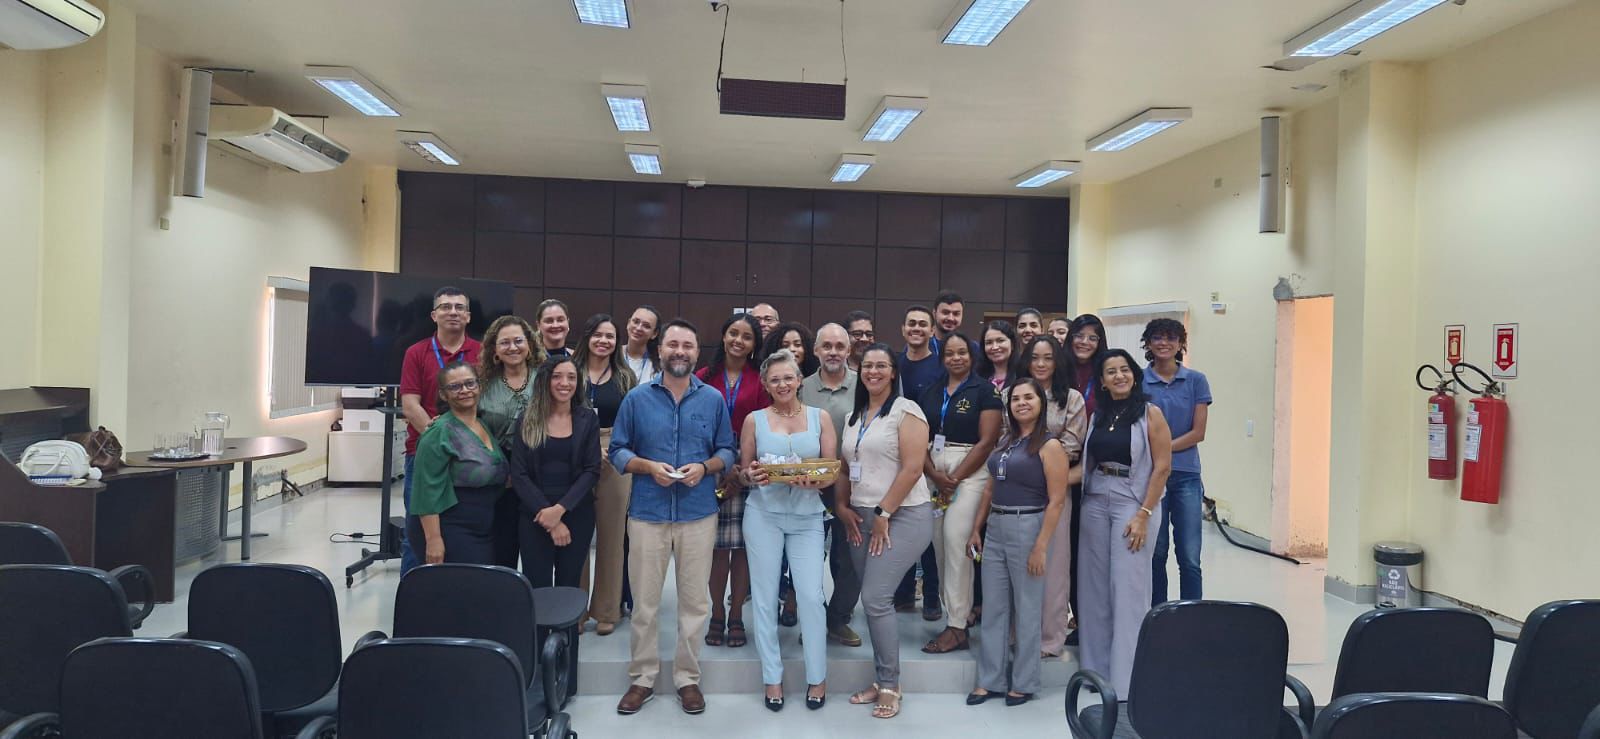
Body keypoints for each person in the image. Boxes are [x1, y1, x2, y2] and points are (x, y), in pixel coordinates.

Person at [610, 319, 737, 716]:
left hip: (698, 514)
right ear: (659, 350)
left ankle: (687, 678)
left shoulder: (713, 400)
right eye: (672, 345)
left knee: (694, 603)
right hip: (647, 513)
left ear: (697, 353)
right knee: (646, 604)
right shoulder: (636, 398)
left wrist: (706, 466)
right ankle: (643, 678)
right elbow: (617, 451)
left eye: (687, 345)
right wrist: (647, 466)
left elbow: (728, 451)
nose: (679, 351)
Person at [839, 344, 935, 720]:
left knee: (877, 598)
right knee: (873, 603)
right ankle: (881, 680)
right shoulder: (854, 416)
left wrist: (884, 512)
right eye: (868, 366)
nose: (873, 371)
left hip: (904, 515)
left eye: (882, 366)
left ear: (894, 373)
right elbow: (847, 467)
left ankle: (891, 685)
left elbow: (913, 469)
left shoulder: (906, 411)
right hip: (861, 517)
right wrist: (844, 507)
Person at [739, 349, 837, 712]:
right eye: (774, 379)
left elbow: (830, 469)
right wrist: (749, 475)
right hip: (763, 514)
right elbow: (743, 469)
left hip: (808, 516)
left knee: (811, 596)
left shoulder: (820, 417)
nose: (782, 384)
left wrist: (817, 480)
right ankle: (772, 678)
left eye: (788, 377)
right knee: (764, 599)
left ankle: (818, 676)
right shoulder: (754, 420)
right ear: (765, 384)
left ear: (799, 380)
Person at [964, 378, 1069, 707]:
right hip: (996, 525)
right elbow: (989, 488)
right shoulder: (1006, 441)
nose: (1022, 403)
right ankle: (990, 680)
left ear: (1041, 404)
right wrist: (976, 528)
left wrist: (1041, 545)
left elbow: (1057, 501)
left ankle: (1023, 682)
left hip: (1029, 524)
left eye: (1029, 397)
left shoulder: (1050, 446)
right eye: (1016, 398)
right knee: (994, 608)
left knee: (1026, 608)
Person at [1078, 349, 1172, 696]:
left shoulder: (1151, 414)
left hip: (1133, 501)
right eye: (1111, 372)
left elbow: (1162, 467)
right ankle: (1096, 674)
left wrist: (1144, 515)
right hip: (1095, 497)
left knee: (1129, 590)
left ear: (1134, 374)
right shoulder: (1099, 416)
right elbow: (1087, 463)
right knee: (1094, 590)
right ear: (1101, 381)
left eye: (1124, 370)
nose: (1119, 376)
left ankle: (1127, 681)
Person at [917, 332, 1002, 654]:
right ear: (942, 358)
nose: (955, 358)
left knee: (956, 540)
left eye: (962, 353)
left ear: (972, 356)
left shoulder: (985, 391)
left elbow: (987, 441)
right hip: (935, 471)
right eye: (950, 353)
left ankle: (957, 625)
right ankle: (955, 615)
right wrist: (935, 475)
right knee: (938, 545)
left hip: (970, 472)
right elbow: (919, 436)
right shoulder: (932, 391)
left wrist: (954, 478)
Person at [1009, 336, 1088, 657]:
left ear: (1058, 362)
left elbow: (1070, 446)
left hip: (1055, 491)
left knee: (1053, 566)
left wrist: (1031, 463)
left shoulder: (1071, 399)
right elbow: (1006, 439)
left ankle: (1049, 638)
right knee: (1017, 564)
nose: (1041, 364)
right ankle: (1018, 632)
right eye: (1035, 358)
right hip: (1014, 492)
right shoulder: (1011, 395)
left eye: (1048, 358)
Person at [695, 313, 770, 649]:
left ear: (755, 344)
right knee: (716, 549)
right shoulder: (702, 377)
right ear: (723, 337)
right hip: (707, 466)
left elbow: (766, 428)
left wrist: (741, 470)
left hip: (749, 466)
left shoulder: (761, 380)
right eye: (733, 334)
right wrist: (720, 466)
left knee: (741, 548)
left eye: (747, 336)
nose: (739, 341)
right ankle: (716, 613)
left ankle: (737, 613)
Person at [398, 287, 482, 573]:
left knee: (463, 531)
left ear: (468, 316)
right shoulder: (416, 352)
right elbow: (410, 405)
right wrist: (441, 440)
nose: (453, 312)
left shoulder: (482, 353)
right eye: (446, 307)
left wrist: (464, 445)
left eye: (459, 307)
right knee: (417, 534)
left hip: (471, 458)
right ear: (434, 315)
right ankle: (413, 600)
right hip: (424, 454)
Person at [509, 356, 601, 589]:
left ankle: (566, 628)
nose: (565, 383)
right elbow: (518, 474)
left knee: (569, 585)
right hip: (534, 514)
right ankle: (538, 628)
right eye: (557, 376)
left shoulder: (587, 419)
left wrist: (559, 511)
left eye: (571, 377)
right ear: (545, 381)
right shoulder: (527, 418)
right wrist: (549, 518)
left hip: (576, 513)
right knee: (537, 585)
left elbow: (592, 470)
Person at [406, 362, 509, 566]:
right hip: (450, 528)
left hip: (481, 526)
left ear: (479, 386)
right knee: (461, 591)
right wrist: (434, 540)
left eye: (470, 383)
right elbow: (427, 491)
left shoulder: (482, 425)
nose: (464, 391)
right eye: (455, 386)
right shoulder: (439, 433)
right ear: (443, 395)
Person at [576, 313, 641, 634]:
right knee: (575, 534)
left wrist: (615, 448)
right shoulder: (569, 372)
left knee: (612, 535)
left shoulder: (626, 377)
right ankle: (574, 611)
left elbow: (634, 423)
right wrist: (586, 447)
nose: (604, 341)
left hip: (615, 452)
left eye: (610, 336)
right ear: (587, 337)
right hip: (573, 450)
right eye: (598, 334)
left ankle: (607, 610)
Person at [800, 323, 863, 647]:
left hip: (854, 485)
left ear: (849, 350)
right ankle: (813, 617)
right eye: (828, 346)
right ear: (816, 351)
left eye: (840, 346)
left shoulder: (865, 385)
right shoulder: (801, 387)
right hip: (808, 485)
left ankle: (838, 618)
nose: (834, 352)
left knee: (849, 557)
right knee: (808, 559)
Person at [1140, 318, 1212, 604]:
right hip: (1151, 477)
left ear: (1181, 344)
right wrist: (1158, 457)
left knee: (1189, 556)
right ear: (1147, 343)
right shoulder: (1139, 381)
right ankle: (1158, 615)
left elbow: (1198, 432)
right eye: (1157, 337)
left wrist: (1162, 449)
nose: (1164, 343)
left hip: (1186, 477)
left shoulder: (1196, 380)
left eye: (1171, 338)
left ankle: (1192, 615)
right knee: (1156, 554)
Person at [477, 315, 544, 569]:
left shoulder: (546, 379)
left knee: (536, 550)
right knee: (502, 549)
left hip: (540, 474)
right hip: (498, 477)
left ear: (529, 344)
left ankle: (537, 606)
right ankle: (503, 604)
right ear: (494, 349)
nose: (513, 347)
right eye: (504, 342)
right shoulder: (482, 384)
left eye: (518, 341)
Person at [894, 305, 942, 618]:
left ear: (932, 331)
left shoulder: (940, 366)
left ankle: (933, 597)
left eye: (923, 324)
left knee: (928, 527)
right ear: (903, 329)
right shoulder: (894, 364)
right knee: (899, 524)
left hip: (929, 455)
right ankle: (903, 593)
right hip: (893, 455)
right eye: (911, 323)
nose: (917, 329)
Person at [1063, 313, 1108, 646]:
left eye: (1093, 337)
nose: (1085, 342)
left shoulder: (1105, 373)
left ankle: (1083, 619)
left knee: (1084, 549)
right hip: (1057, 465)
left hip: (1092, 467)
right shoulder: (1059, 370)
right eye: (1080, 335)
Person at [622, 305, 661, 385]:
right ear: (628, 323)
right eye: (636, 322)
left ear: (654, 333)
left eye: (646, 326)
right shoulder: (612, 355)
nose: (639, 328)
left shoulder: (660, 363)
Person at [931, 290, 975, 358]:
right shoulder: (923, 347)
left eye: (956, 314)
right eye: (945, 312)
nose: (951, 318)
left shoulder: (973, 348)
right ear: (934, 314)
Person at [977, 320, 1018, 390]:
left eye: (1000, 341)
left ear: (1012, 344)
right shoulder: (977, 376)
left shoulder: (1024, 374)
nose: (995, 347)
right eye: (989, 342)